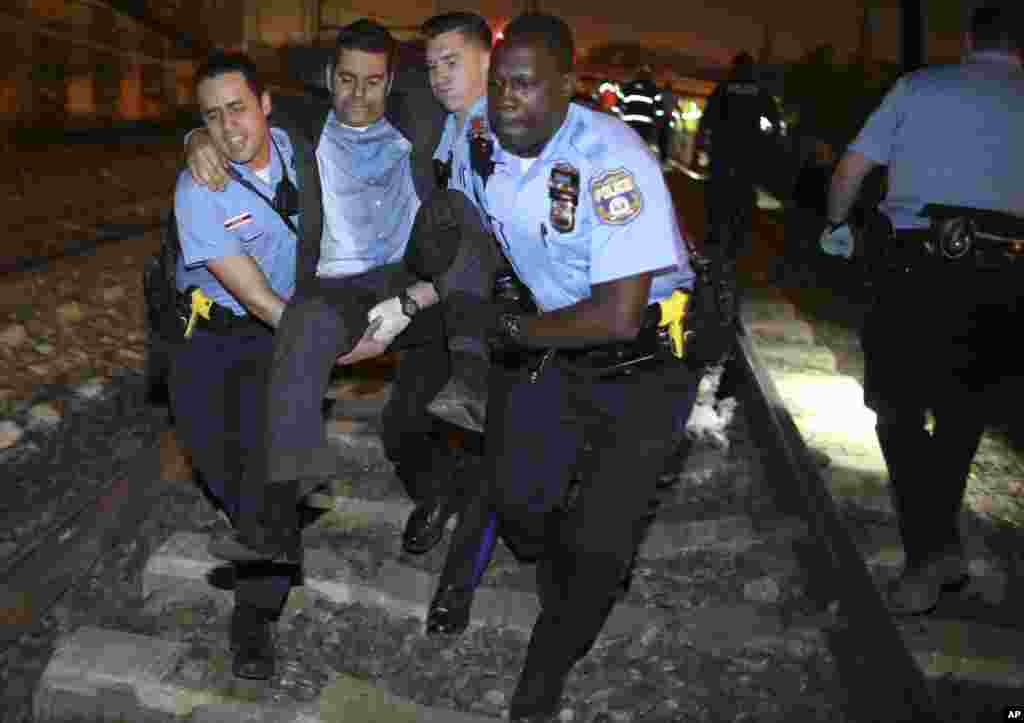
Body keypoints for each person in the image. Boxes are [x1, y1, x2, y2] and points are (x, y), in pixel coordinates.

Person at [469, 14, 701, 720]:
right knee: (518, 500)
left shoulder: (612, 159)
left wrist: (514, 327)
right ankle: (567, 561)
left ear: (569, 86)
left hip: (641, 364)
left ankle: (549, 661)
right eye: (499, 83)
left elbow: (619, 314)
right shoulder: (487, 135)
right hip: (555, 346)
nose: (507, 98)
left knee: (601, 546)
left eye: (526, 85)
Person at [185, 20, 484, 567]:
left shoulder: (421, 114)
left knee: (407, 429)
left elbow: (483, 98)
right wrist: (196, 138)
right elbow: (236, 122)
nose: (359, 97)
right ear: (329, 76)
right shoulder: (303, 121)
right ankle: (282, 513)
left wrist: (419, 296)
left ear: (392, 82)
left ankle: (465, 404)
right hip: (338, 286)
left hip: (411, 278)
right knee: (301, 325)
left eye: (373, 82)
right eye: (347, 80)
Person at [821, 2, 1024, 615]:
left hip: (915, 269)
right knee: (963, 414)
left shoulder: (919, 86)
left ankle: (929, 554)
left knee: (897, 410)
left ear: (968, 41)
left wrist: (836, 225)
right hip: (1005, 273)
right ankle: (938, 549)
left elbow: (851, 170)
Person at [169, 52, 299, 680]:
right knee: (213, 459)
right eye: (211, 118)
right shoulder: (200, 185)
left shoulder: (307, 156)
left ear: (266, 103)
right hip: (214, 331)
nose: (228, 127)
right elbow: (252, 294)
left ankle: (255, 620)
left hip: (278, 340)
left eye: (238, 108)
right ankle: (262, 521)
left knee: (265, 475)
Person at [697, 51, 780, 260]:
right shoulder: (760, 90)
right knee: (744, 195)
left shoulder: (723, 88)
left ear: (733, 67)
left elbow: (708, 119)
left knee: (717, 192)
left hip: (722, 149)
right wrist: (765, 141)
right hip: (748, 152)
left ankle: (714, 235)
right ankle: (737, 238)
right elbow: (773, 122)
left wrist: (702, 142)